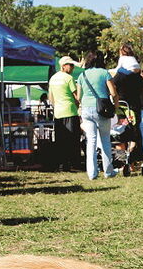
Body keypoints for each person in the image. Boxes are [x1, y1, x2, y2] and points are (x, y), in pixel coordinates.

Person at [76, 50, 118, 180]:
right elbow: (113, 93)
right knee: (105, 140)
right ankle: (108, 171)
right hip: (102, 110)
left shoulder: (82, 75)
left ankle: (92, 173)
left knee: (91, 141)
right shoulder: (105, 73)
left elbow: (78, 96)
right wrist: (115, 107)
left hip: (86, 110)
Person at [48, 55, 82, 172]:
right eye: (71, 65)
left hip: (58, 113)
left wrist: (56, 106)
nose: (72, 68)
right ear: (64, 66)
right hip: (70, 111)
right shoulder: (69, 78)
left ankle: (62, 165)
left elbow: (50, 97)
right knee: (73, 139)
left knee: (61, 141)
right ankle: (74, 164)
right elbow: (76, 97)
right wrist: (79, 107)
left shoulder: (53, 78)